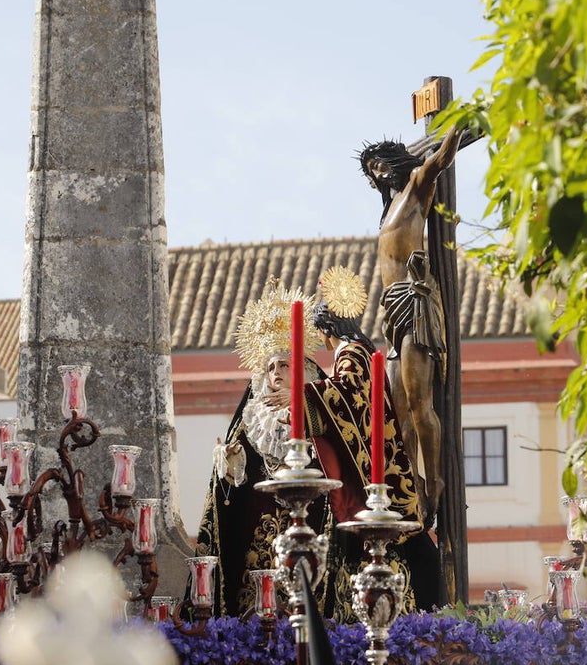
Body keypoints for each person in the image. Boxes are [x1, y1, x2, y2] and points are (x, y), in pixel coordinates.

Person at [262, 266, 443, 620]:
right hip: (376, 458)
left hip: (378, 469)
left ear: (327, 329)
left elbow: (346, 395)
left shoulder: (352, 354)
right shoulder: (356, 352)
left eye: (320, 333)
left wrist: (300, 396)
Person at [191, 280, 326, 617]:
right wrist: (229, 465)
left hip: (312, 520)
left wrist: (303, 404)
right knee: (258, 604)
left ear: (302, 368)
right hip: (257, 527)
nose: (276, 372)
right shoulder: (253, 417)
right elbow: (229, 487)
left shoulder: (320, 409)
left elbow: (337, 455)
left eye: (284, 364)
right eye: (271, 367)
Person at [359, 126, 464, 524]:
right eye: (372, 170)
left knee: (421, 402)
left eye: (380, 164)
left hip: (416, 303)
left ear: (396, 161)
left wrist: (456, 125)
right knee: (397, 410)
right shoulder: (388, 212)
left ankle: (433, 480)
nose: (379, 173)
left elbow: (442, 159)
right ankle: (413, 485)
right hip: (393, 310)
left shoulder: (418, 186)